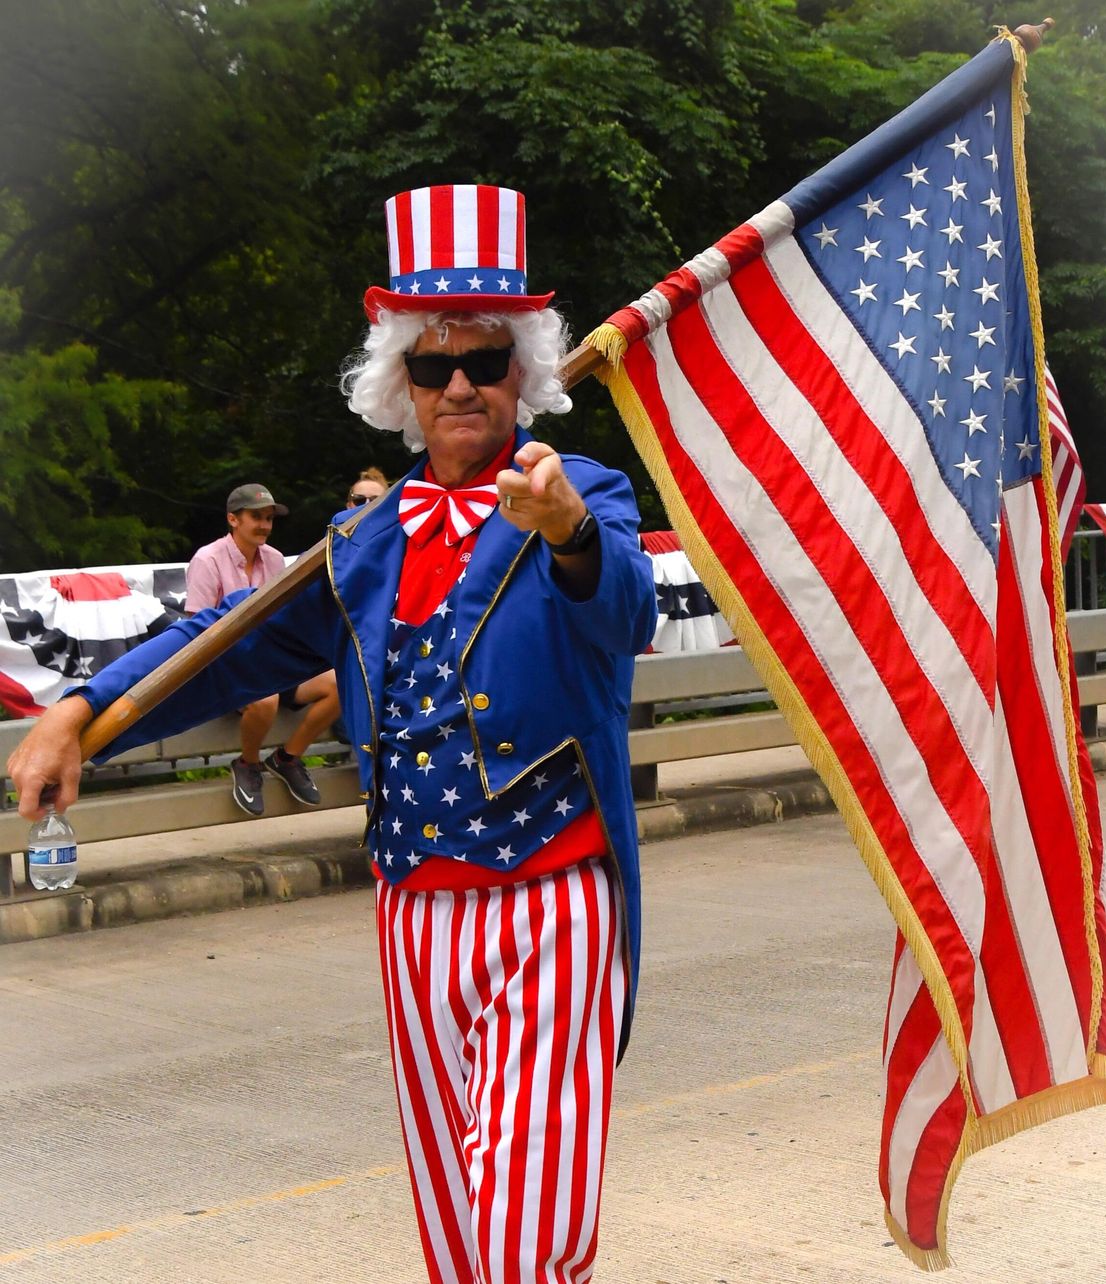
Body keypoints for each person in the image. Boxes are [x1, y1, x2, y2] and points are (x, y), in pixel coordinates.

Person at [9, 183, 657, 1284]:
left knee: (522, 1239)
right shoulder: (362, 538)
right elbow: (222, 642)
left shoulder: (580, 490)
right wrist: (80, 712)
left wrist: (568, 530)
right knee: (457, 1227)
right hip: (412, 911)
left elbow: (625, 609)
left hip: (552, 901)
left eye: (485, 359)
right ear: (398, 385)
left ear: (526, 372)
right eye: (431, 362)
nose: (459, 383)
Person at [185, 483, 341, 817]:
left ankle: (287, 758)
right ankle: (248, 764)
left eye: (269, 518)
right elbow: (196, 631)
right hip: (226, 665)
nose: (265, 525)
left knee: (339, 684)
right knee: (265, 698)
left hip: (271, 661)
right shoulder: (206, 559)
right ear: (232, 519)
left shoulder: (273, 558)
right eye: (256, 517)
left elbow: (287, 616)